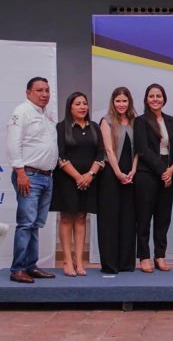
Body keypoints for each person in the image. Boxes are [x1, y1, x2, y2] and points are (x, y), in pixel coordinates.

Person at [6, 77, 59, 283]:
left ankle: (31, 266)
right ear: (28, 92)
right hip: (29, 175)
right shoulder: (22, 112)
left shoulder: (46, 114)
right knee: (26, 224)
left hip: (46, 176)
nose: (44, 94)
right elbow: (13, 143)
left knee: (35, 224)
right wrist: (20, 173)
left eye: (47, 90)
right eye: (39, 90)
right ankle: (18, 269)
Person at [51, 92, 105, 277]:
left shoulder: (94, 127)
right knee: (67, 217)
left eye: (84, 103)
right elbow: (60, 155)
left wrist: (90, 175)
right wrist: (77, 177)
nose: (82, 107)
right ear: (70, 107)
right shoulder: (61, 127)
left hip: (89, 179)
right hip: (67, 179)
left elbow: (101, 154)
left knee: (81, 217)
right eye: (78, 104)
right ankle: (67, 260)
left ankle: (79, 261)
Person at [134, 84, 173, 273]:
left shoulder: (171, 120)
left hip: (169, 173)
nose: (155, 99)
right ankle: (144, 257)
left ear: (164, 99)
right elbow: (143, 149)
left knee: (163, 217)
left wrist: (172, 169)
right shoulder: (140, 121)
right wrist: (162, 171)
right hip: (147, 174)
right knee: (144, 217)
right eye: (151, 96)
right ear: (146, 99)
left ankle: (160, 255)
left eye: (158, 96)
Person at [97, 87, 138, 274]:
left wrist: (133, 171)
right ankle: (110, 264)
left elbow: (138, 150)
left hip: (130, 176)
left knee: (128, 219)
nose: (121, 104)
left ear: (129, 102)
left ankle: (126, 263)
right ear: (113, 102)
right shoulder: (106, 121)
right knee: (110, 219)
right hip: (110, 175)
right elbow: (108, 150)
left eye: (124, 101)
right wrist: (119, 173)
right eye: (118, 101)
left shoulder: (136, 121)